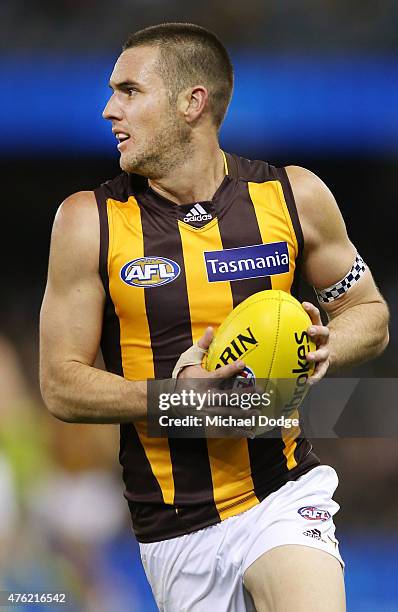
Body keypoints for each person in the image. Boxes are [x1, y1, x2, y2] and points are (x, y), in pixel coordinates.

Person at [40, 22, 389, 612]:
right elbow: (60, 383)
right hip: (175, 528)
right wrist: (176, 399)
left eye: (129, 91)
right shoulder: (87, 222)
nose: (108, 110)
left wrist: (327, 343)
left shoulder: (292, 196)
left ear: (191, 102)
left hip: (280, 492)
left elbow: (369, 312)